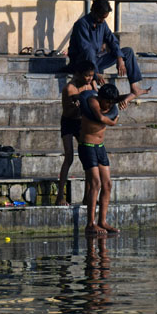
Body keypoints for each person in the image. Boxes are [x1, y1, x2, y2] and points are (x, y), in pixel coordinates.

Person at [78, 83, 135, 235]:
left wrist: (128, 98)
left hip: (100, 147)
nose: (109, 105)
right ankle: (90, 223)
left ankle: (102, 221)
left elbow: (129, 96)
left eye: (112, 103)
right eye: (107, 102)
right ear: (101, 97)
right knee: (95, 183)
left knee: (107, 184)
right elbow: (99, 117)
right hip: (87, 145)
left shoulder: (111, 105)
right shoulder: (93, 101)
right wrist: (113, 122)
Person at [68, 0, 151, 99]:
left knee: (128, 51)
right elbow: (86, 49)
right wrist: (96, 73)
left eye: (104, 18)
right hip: (82, 62)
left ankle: (134, 87)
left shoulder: (102, 23)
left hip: (96, 60)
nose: (102, 21)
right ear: (93, 12)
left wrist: (119, 58)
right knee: (89, 51)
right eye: (101, 18)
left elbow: (112, 41)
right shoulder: (81, 24)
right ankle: (94, 83)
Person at [57, 60, 96, 206]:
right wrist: (77, 108)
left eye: (91, 76)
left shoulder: (90, 85)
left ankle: (87, 197)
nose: (89, 79)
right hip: (68, 122)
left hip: (82, 123)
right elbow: (68, 111)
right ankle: (60, 196)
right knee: (69, 157)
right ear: (78, 74)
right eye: (87, 76)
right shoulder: (69, 89)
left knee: (87, 158)